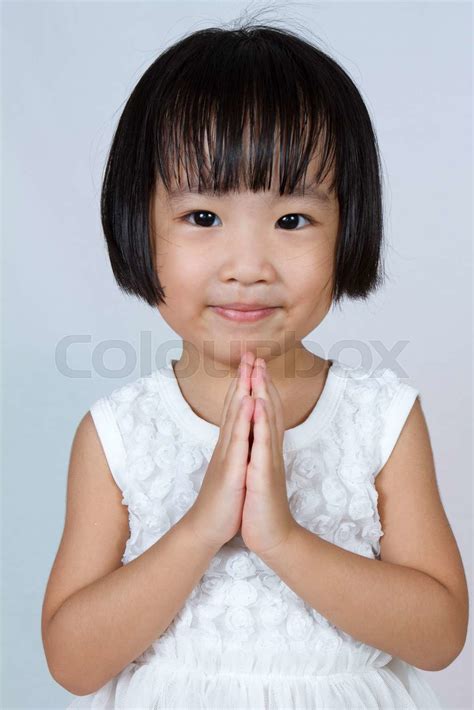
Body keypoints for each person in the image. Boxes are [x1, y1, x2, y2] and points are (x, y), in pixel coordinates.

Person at [41, 18, 468, 710]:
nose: (248, 268)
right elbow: (72, 661)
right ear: (138, 226)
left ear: (349, 226)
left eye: (292, 220)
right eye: (203, 217)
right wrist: (204, 525)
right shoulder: (117, 433)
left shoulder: (381, 420)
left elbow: (441, 634)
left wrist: (282, 539)